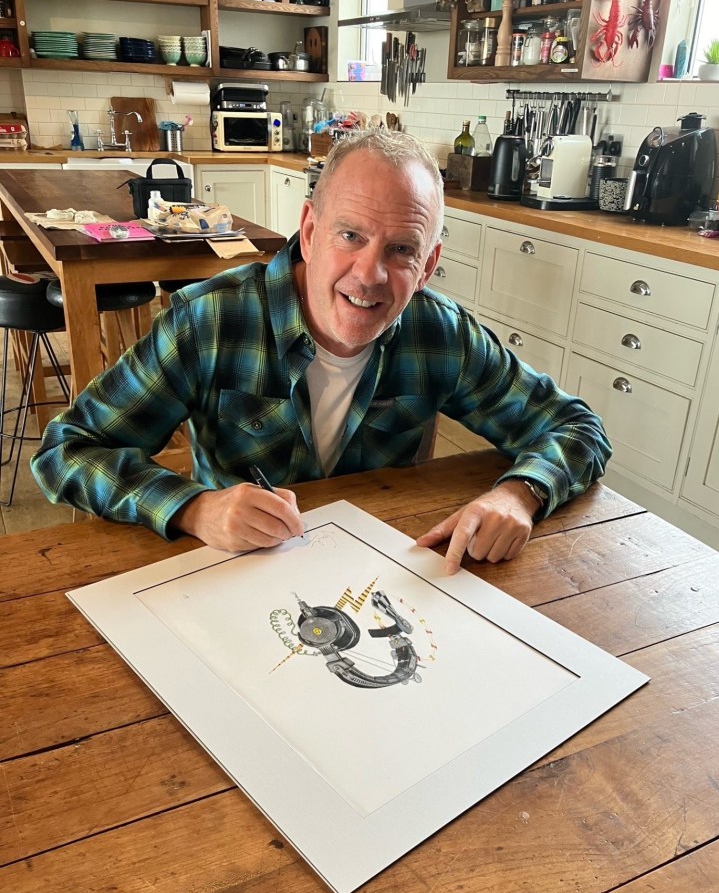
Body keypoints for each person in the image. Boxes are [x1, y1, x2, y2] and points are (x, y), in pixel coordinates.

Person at [31, 128, 610, 575]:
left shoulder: (441, 335)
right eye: (350, 235)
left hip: (378, 578)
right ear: (309, 231)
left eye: (402, 250)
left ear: (428, 266)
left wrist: (519, 494)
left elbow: (576, 427)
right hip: (227, 577)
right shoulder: (208, 322)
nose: (370, 274)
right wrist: (193, 508)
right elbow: (66, 451)